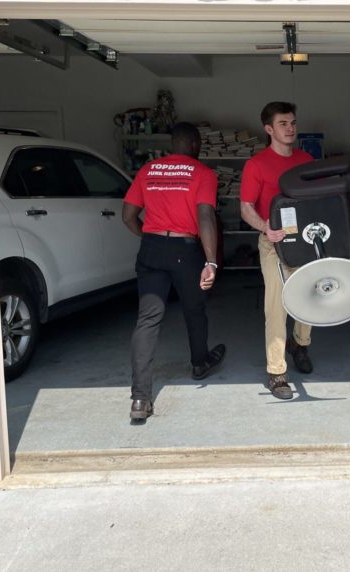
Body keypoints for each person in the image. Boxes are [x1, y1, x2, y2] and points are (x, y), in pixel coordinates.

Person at [122, 122, 226, 420]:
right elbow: (205, 216)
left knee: (148, 318)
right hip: (185, 249)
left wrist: (149, 237)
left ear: (172, 144)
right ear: (195, 145)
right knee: (194, 308)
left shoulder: (149, 170)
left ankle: (141, 399)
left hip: (152, 248)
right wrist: (211, 262)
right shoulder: (203, 173)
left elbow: (127, 216)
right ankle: (199, 363)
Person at [239, 102, 315, 400]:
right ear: (269, 129)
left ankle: (300, 344)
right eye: (283, 123)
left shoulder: (306, 159)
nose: (290, 128)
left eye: (293, 122)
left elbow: (323, 193)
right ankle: (277, 371)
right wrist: (265, 229)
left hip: (304, 240)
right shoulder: (256, 165)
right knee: (276, 305)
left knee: (308, 299)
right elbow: (245, 208)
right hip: (273, 242)